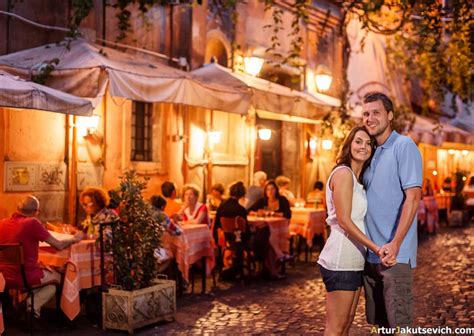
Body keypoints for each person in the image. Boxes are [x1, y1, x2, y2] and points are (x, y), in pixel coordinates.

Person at [317, 126, 392, 335]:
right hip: (341, 259)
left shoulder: (356, 180)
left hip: (354, 260)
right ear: (349, 144)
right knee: (336, 328)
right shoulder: (343, 174)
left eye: (368, 143)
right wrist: (376, 248)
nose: (363, 147)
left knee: (346, 324)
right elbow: (344, 221)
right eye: (358, 141)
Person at [362, 92, 422, 331]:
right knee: (380, 325)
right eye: (366, 113)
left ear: (390, 115)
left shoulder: (403, 146)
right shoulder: (369, 151)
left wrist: (396, 243)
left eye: (376, 112)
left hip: (394, 255)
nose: (370, 118)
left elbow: (413, 197)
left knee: (400, 325)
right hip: (371, 253)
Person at [0, 196, 83, 318]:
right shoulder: (32, 223)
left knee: (48, 277)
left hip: (4, 276)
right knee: (60, 278)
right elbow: (58, 245)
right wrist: (75, 239)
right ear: (36, 212)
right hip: (26, 276)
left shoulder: (3, 223)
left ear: (17, 209)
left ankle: (30, 309)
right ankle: (31, 306)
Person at [213, 181, 249, 278]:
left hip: (225, 239)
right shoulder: (241, 209)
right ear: (242, 194)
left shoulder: (222, 206)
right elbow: (246, 230)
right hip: (239, 240)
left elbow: (217, 224)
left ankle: (229, 266)